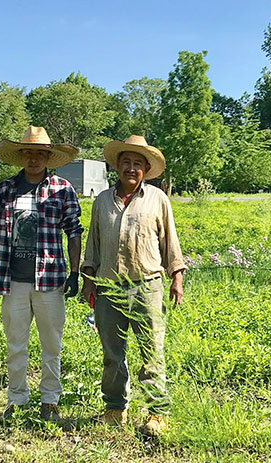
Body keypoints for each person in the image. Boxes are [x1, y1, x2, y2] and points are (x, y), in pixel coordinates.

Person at [81, 135, 185, 435]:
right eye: (125, 162)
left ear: (146, 168)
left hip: (147, 286)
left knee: (152, 352)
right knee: (112, 354)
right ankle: (115, 408)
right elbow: (94, 242)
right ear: (116, 166)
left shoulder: (158, 199)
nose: (130, 168)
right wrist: (89, 278)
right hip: (109, 288)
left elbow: (170, 241)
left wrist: (176, 276)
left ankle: (157, 413)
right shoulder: (102, 201)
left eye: (137, 163)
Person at [0, 126, 83, 422]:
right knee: (16, 344)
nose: (34, 159)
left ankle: (50, 399)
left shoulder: (62, 189)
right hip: (12, 280)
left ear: (48, 157)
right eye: (29, 153)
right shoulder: (5, 189)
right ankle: (17, 399)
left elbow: (74, 232)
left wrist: (75, 272)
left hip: (50, 281)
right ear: (21, 156)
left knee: (52, 344)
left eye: (40, 153)